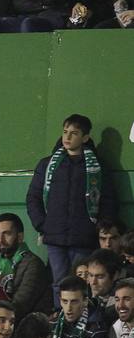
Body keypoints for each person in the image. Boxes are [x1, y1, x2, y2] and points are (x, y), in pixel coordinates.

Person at [28, 113, 118, 285]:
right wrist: (43, 225)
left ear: (85, 137)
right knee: (59, 284)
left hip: (84, 238)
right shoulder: (47, 165)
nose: (67, 137)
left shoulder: (98, 167)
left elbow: (108, 200)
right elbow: (33, 197)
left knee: (82, 283)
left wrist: (97, 227)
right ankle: (60, 312)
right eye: (65, 131)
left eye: (74, 133)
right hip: (54, 237)